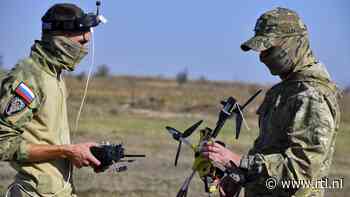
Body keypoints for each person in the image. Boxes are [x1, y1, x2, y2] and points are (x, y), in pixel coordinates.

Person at [201, 7, 341, 197]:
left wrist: (240, 161)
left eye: (269, 49)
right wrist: (240, 175)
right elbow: (269, 152)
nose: (262, 58)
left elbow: (300, 172)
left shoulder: (311, 97)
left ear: (292, 43)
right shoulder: (285, 91)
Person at [0, 3, 104, 197]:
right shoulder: (29, 78)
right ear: (61, 40)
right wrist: (67, 151)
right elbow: (3, 143)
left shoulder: (54, 75)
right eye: (81, 43)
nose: (85, 50)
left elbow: (45, 138)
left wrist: (81, 153)